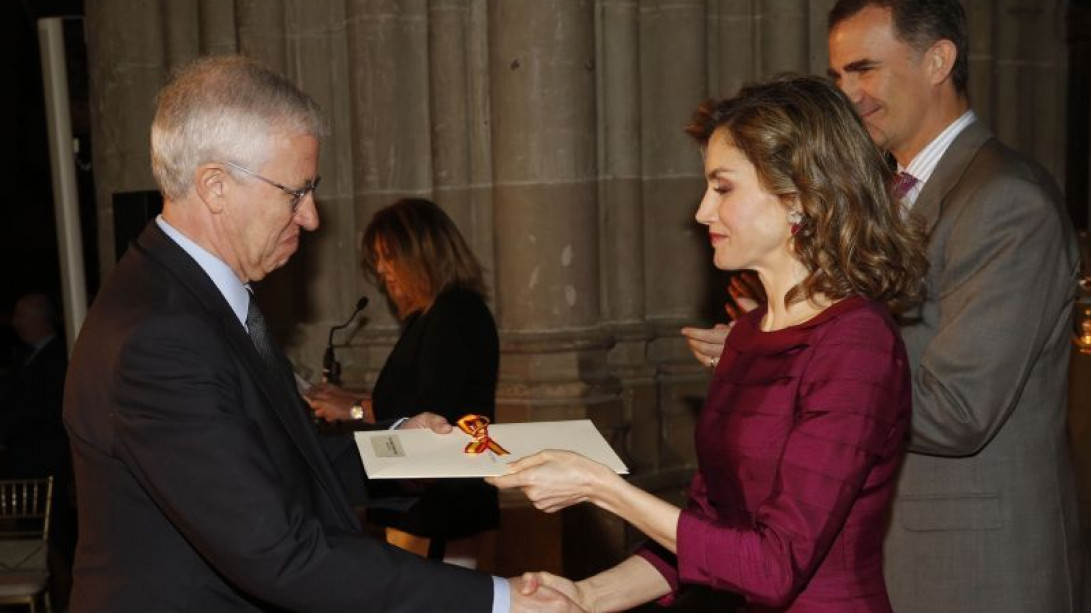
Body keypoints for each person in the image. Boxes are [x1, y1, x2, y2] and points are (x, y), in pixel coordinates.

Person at [62, 55, 579, 613]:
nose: (310, 217)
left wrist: (403, 447)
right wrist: (502, 600)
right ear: (215, 186)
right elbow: (277, 552)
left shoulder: (196, 297)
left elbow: (287, 459)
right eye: (295, 192)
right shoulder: (162, 337)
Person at [684, 1, 1086, 611]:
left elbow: (960, 409)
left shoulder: (1006, 201)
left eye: (863, 70)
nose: (848, 95)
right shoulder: (881, 195)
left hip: (971, 563)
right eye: (838, 76)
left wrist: (798, 376)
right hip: (869, 554)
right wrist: (773, 348)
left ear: (938, 61)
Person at [491, 74, 929, 612]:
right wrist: (586, 595)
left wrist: (602, 487)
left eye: (723, 188)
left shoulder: (857, 344)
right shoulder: (749, 333)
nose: (701, 212)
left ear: (800, 197)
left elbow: (774, 566)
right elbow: (706, 528)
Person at [305, 198, 500, 567]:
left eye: (388, 256)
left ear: (423, 252)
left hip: (444, 507)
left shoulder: (456, 314)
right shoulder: (435, 315)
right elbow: (415, 392)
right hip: (426, 506)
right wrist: (350, 399)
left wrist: (354, 408)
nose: (381, 270)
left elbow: (432, 410)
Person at [1, 292, 77, 610]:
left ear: (40, 318)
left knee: (56, 541)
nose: (15, 321)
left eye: (21, 314)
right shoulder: (20, 357)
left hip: (47, 465)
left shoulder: (60, 357)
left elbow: (41, 411)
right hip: (21, 463)